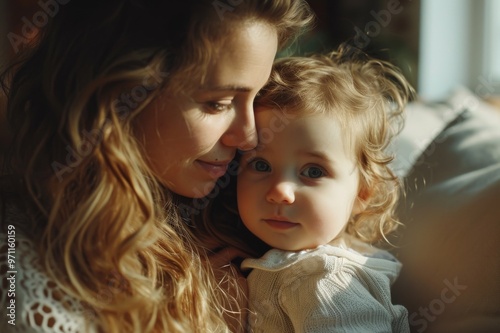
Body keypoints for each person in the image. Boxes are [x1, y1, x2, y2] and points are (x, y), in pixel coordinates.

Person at [0, 1, 313, 332]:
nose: (248, 137)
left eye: (255, 97)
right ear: (120, 94)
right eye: (217, 103)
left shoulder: (245, 217)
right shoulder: (25, 273)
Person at [201, 46, 416, 332]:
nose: (280, 191)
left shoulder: (325, 278)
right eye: (261, 165)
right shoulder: (285, 266)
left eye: (313, 171)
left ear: (362, 193)